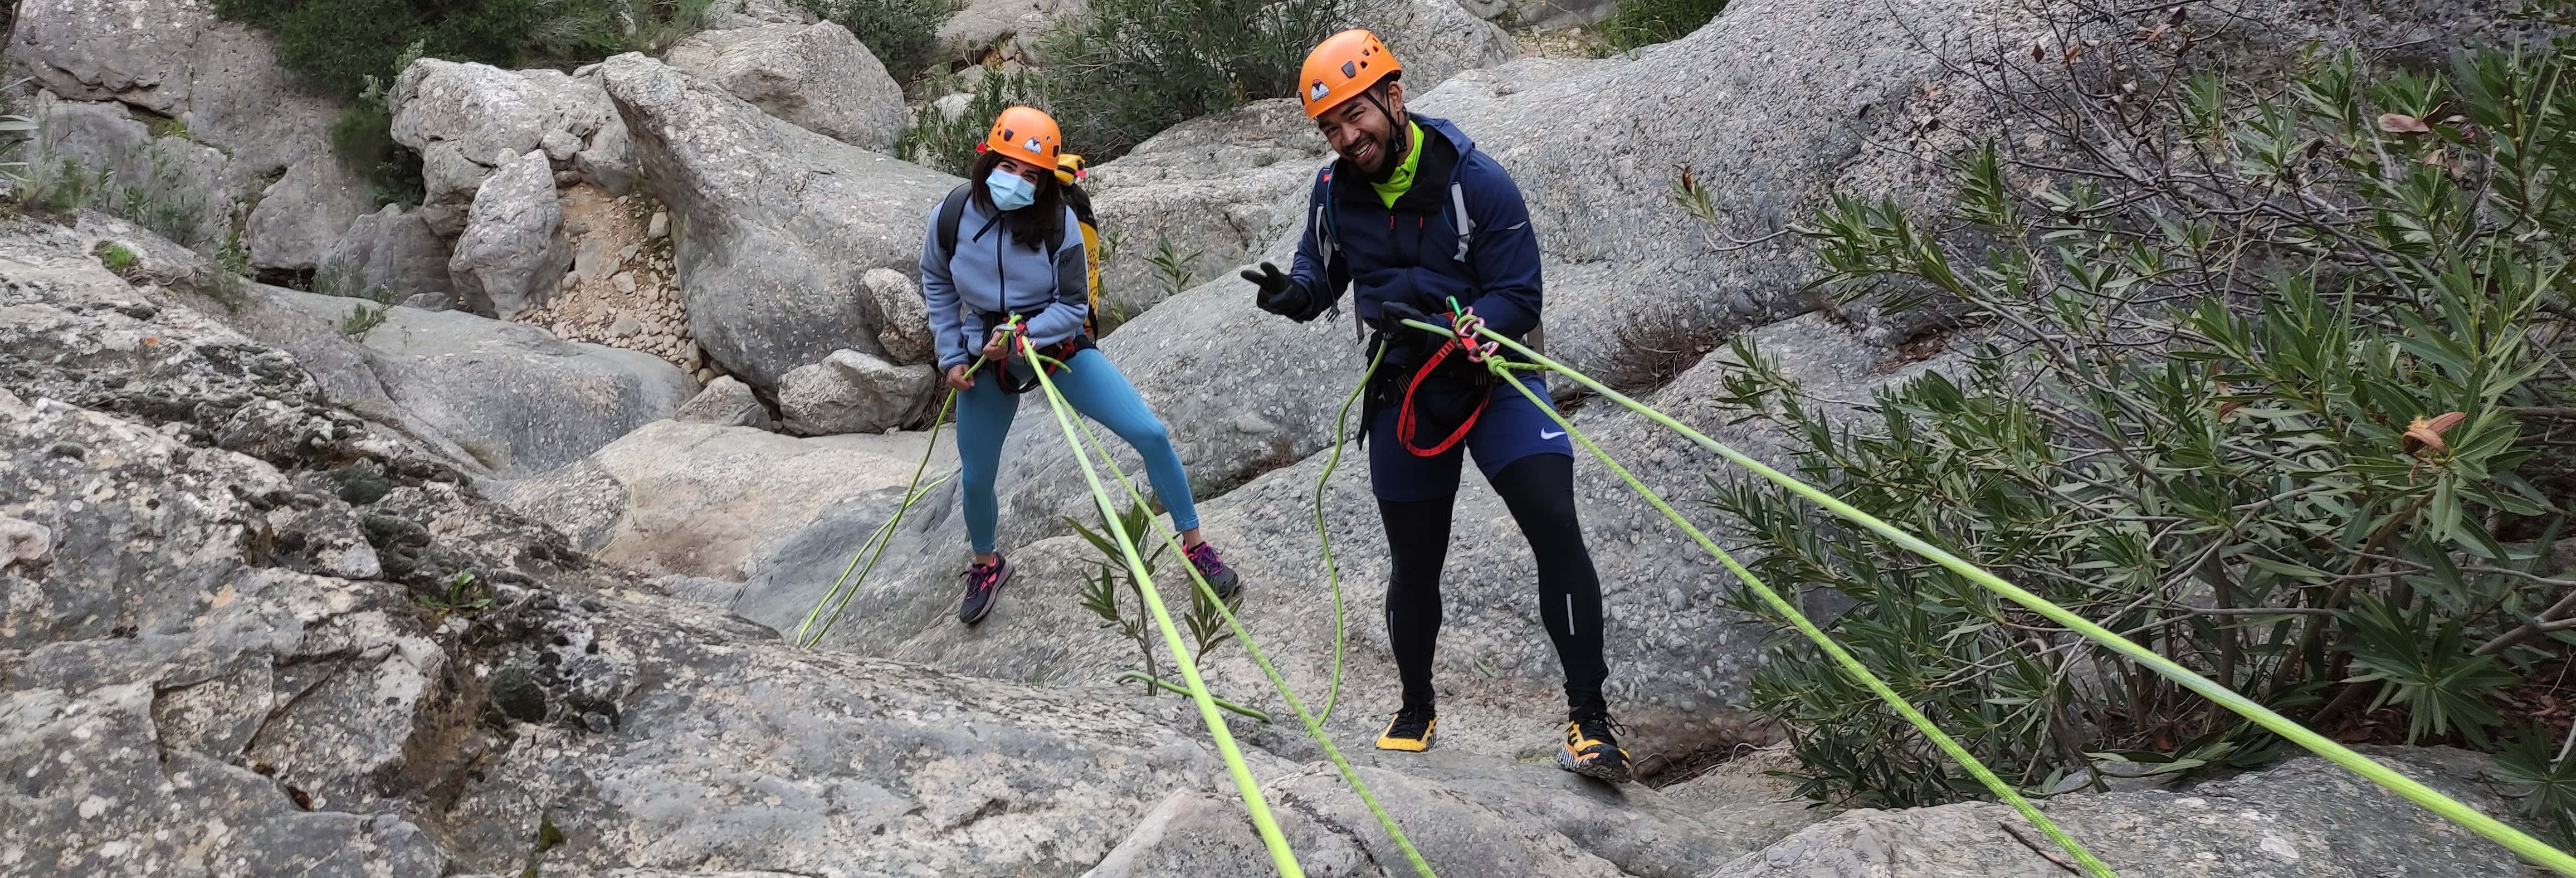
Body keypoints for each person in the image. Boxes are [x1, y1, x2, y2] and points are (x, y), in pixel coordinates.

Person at [1241, 31, 1631, 782]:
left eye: (1356, 116)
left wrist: (1471, 324)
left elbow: (1519, 296)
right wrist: (1295, 297)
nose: (1348, 138)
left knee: (1554, 521)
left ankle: (1590, 721)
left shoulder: (1477, 182)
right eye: (1330, 127)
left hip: (1494, 379)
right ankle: (1416, 706)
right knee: (1414, 561)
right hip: (1406, 388)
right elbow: (1320, 275)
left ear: (1394, 96)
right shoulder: (1333, 193)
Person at [921, 106, 1241, 625]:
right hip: (985, 352)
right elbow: (936, 281)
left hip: (1053, 346)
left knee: (1150, 433)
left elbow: (1072, 307)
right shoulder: (953, 214)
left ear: (1046, 180)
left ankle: (1195, 544)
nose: (1017, 181)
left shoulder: (1058, 222)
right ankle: (986, 562)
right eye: (1008, 167)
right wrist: (952, 355)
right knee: (977, 477)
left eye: (1031, 174)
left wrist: (1025, 334)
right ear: (987, 161)